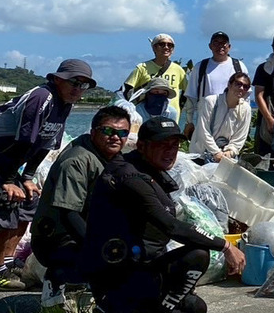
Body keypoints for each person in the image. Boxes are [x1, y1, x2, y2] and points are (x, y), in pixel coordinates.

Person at [0, 59, 95, 291]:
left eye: (84, 85)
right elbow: (24, 140)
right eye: (73, 82)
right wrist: (10, 182)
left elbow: (44, 145)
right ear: (58, 79)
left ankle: (8, 264)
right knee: (4, 204)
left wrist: (28, 177)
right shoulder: (41, 97)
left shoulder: (64, 105)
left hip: (1, 161)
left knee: (30, 203)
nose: (78, 89)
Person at [82, 117, 246, 313]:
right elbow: (171, 226)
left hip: (141, 267)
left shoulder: (148, 169)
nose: (170, 151)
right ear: (141, 146)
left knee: (195, 307)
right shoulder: (130, 177)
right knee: (197, 256)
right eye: (162, 145)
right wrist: (225, 246)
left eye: (175, 145)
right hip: (117, 278)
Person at [33, 106, 130, 312]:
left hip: (88, 228)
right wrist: (100, 250)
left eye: (122, 133)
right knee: (109, 262)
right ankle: (57, 284)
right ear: (93, 131)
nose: (115, 137)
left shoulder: (113, 158)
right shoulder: (77, 160)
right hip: (57, 239)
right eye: (108, 131)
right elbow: (68, 214)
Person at [182, 31, 248, 140]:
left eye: (223, 43)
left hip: (232, 118)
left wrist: (243, 121)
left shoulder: (239, 67)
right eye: (216, 43)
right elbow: (191, 97)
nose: (220, 46)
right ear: (210, 46)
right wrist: (189, 122)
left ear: (229, 47)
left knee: (228, 151)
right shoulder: (201, 67)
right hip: (205, 118)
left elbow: (246, 96)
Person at [188, 72, 253, 162]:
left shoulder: (246, 109)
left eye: (245, 86)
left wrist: (230, 152)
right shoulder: (211, 101)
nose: (241, 88)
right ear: (229, 85)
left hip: (224, 156)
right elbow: (203, 129)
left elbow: (241, 136)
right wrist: (216, 152)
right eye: (238, 84)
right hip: (200, 153)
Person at [122, 34, 188, 122]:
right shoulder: (142, 68)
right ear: (154, 48)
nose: (166, 47)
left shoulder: (178, 70)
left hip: (170, 117)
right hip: (144, 117)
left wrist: (179, 106)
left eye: (170, 45)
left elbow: (187, 92)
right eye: (162, 44)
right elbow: (126, 91)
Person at [114, 76, 178, 125]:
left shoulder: (172, 112)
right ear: (148, 94)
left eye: (163, 93)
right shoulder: (136, 111)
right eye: (156, 92)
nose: (159, 96)